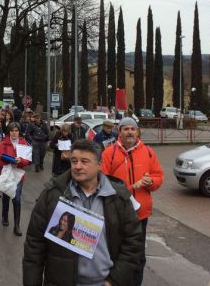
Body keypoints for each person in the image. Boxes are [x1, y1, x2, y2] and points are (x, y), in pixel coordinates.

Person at [23, 139, 142, 286]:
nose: (77, 166)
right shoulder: (53, 194)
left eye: (84, 161)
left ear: (99, 164)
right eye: (74, 161)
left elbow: (133, 243)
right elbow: (34, 245)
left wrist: (115, 280)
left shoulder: (118, 197)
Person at [101, 117, 164, 286]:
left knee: (138, 255)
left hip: (140, 215)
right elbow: (102, 184)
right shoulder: (109, 153)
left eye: (133, 129)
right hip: (116, 214)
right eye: (126, 129)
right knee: (115, 254)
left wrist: (151, 181)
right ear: (119, 132)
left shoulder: (148, 152)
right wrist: (132, 187)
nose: (130, 132)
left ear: (137, 132)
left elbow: (158, 176)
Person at [0, 122, 31, 236]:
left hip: (18, 175)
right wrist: (9, 161)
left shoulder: (24, 143)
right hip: (7, 174)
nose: (14, 133)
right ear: (8, 132)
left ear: (19, 132)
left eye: (16, 131)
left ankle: (17, 225)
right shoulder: (4, 143)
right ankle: (5, 216)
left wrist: (21, 161)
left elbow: (28, 160)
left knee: (17, 199)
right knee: (6, 197)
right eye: (12, 131)